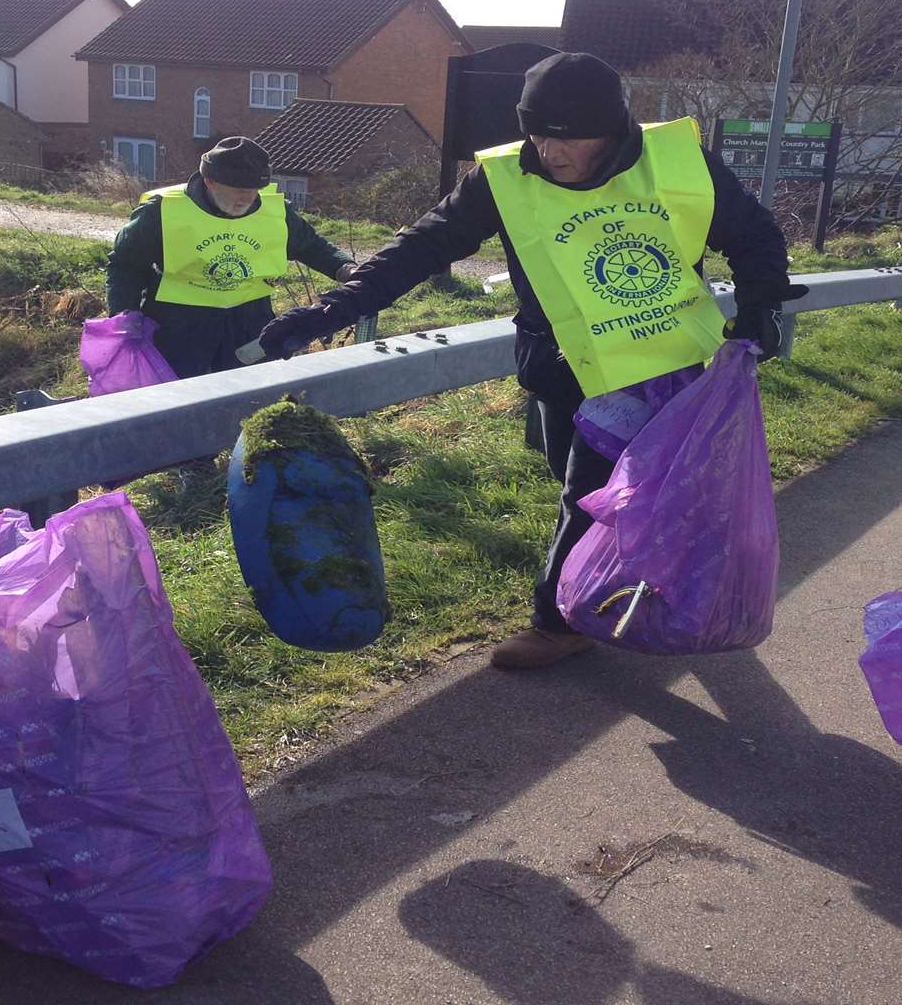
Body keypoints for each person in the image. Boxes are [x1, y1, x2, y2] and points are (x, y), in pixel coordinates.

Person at [257, 52, 801, 669]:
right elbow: (426, 244)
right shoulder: (503, 176)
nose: (550, 151)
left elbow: (754, 234)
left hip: (657, 365)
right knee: (572, 476)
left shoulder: (677, 164)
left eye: (569, 138)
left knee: (588, 489)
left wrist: (762, 306)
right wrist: (331, 310)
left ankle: (559, 623)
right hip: (556, 360)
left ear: (614, 130)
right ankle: (640, 575)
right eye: (538, 133)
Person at [106, 136, 358, 378]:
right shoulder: (163, 211)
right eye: (238, 189)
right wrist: (124, 316)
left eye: (254, 189)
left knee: (249, 399)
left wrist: (344, 268)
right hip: (179, 325)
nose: (247, 198)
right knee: (178, 402)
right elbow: (125, 265)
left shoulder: (276, 211)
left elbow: (310, 246)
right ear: (210, 181)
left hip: (250, 322)